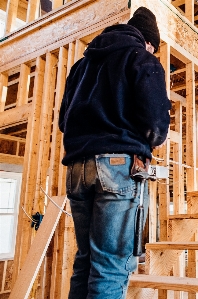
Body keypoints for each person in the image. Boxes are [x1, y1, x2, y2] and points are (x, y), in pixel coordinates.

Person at [58, 7, 171, 299]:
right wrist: (148, 141)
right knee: (110, 267)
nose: (152, 51)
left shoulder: (81, 67)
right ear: (148, 41)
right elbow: (156, 123)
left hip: (77, 169)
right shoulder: (142, 59)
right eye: (153, 47)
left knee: (86, 261)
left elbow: (63, 122)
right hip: (118, 167)